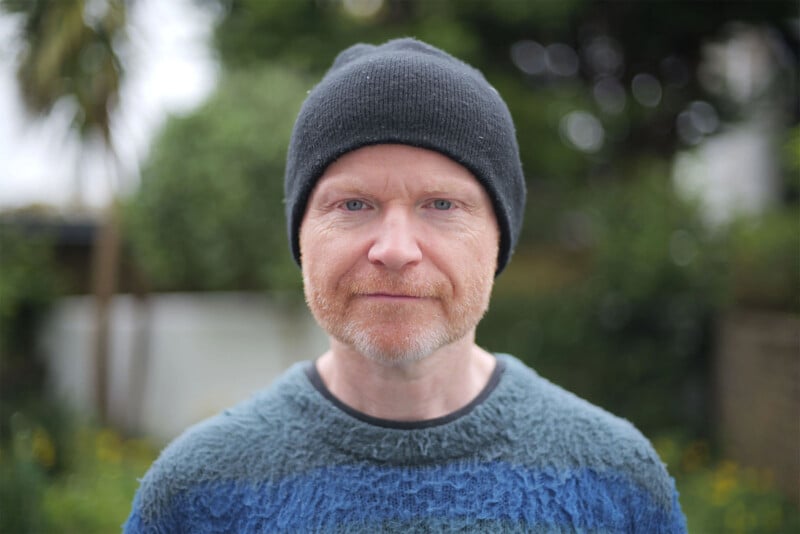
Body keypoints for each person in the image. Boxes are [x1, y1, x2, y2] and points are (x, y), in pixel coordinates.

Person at [125, 38, 686, 533]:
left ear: (499, 239)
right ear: (301, 235)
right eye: (352, 204)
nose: (394, 249)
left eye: (441, 204)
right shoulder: (194, 495)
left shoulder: (616, 483)